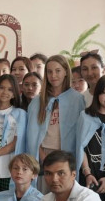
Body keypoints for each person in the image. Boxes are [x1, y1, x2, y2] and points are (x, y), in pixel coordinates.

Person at [26, 55, 86, 192]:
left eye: (58, 71)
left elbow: (80, 134)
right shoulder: (38, 101)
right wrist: (43, 156)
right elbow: (32, 135)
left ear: (66, 72)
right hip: (44, 155)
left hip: (67, 156)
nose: (53, 75)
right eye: (49, 71)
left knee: (65, 196)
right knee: (44, 196)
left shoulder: (77, 100)